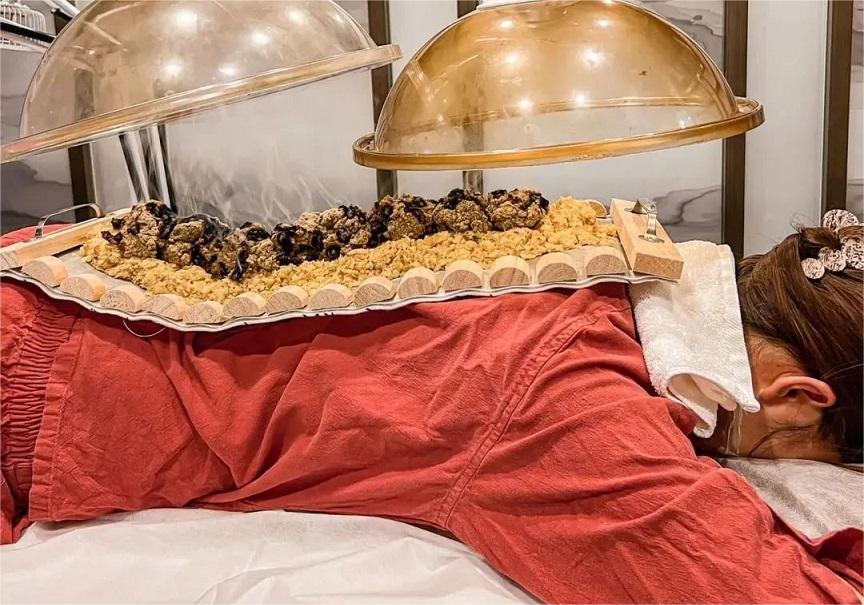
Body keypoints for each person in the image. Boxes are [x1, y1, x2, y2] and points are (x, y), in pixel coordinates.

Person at [1, 215, 861, 603]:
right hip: (36, 381)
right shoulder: (571, 405)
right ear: (798, 400)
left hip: (52, 270)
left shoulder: (604, 255)